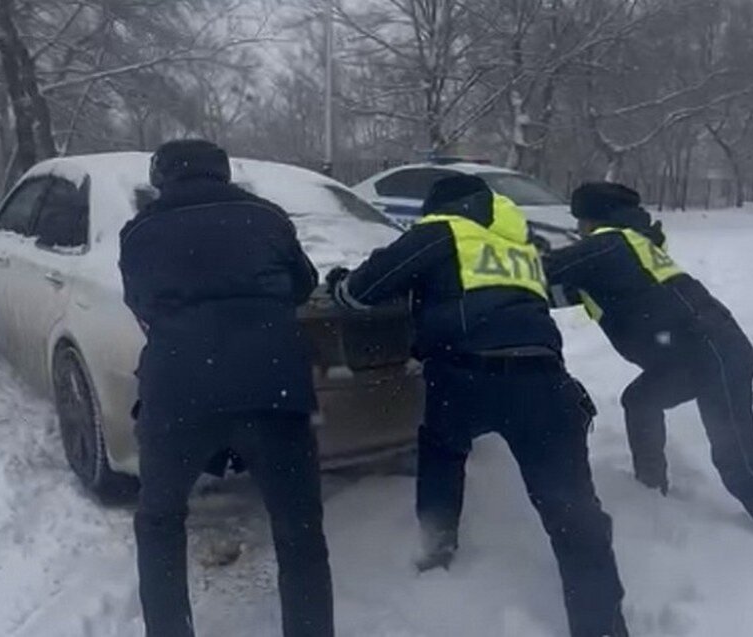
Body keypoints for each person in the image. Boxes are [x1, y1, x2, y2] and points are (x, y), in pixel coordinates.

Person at [328, 175, 628, 637]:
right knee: (571, 511)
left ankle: (435, 553)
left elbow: (361, 293)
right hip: (545, 383)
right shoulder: (521, 249)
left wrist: (340, 283)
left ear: (440, 208)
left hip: (465, 376)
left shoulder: (441, 231)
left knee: (443, 452)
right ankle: (603, 626)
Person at [542, 181, 753, 551]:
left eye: (579, 220)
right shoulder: (627, 247)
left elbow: (540, 271)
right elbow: (556, 291)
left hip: (711, 353)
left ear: (590, 219)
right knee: (641, 401)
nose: (578, 229)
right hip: (693, 354)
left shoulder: (609, 244)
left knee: (737, 460)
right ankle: (651, 489)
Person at [119, 139, 334, 637]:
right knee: (299, 530)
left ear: (162, 177)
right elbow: (304, 284)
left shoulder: (141, 229)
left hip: (178, 392)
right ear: (224, 172)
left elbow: (140, 302)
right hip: (272, 388)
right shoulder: (267, 217)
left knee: (159, 523)